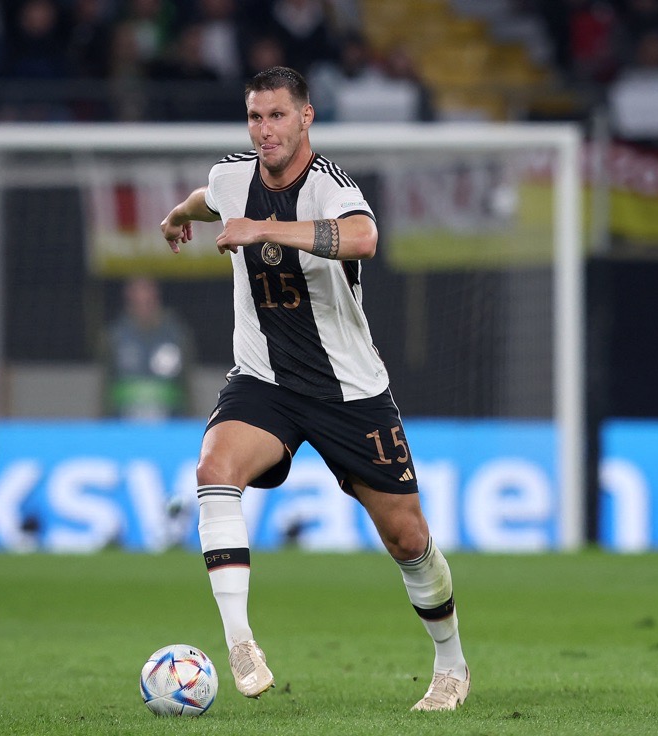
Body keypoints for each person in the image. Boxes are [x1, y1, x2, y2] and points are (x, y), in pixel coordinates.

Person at [158, 66, 470, 712]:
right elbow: (205, 197)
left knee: (408, 539)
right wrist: (177, 216)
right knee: (214, 467)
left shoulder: (331, 187)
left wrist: (264, 230)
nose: (264, 129)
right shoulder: (231, 178)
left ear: (306, 118)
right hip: (264, 380)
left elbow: (365, 237)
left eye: (277, 116)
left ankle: (451, 664)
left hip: (347, 390)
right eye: (254, 116)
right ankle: (240, 642)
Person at [98, 277, 194, 420]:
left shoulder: (176, 334)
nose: (143, 306)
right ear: (128, 300)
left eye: (147, 300)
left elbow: (187, 383)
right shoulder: (115, 336)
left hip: (171, 424)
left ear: (156, 298)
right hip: (123, 423)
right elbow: (106, 384)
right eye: (137, 301)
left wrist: (189, 421)